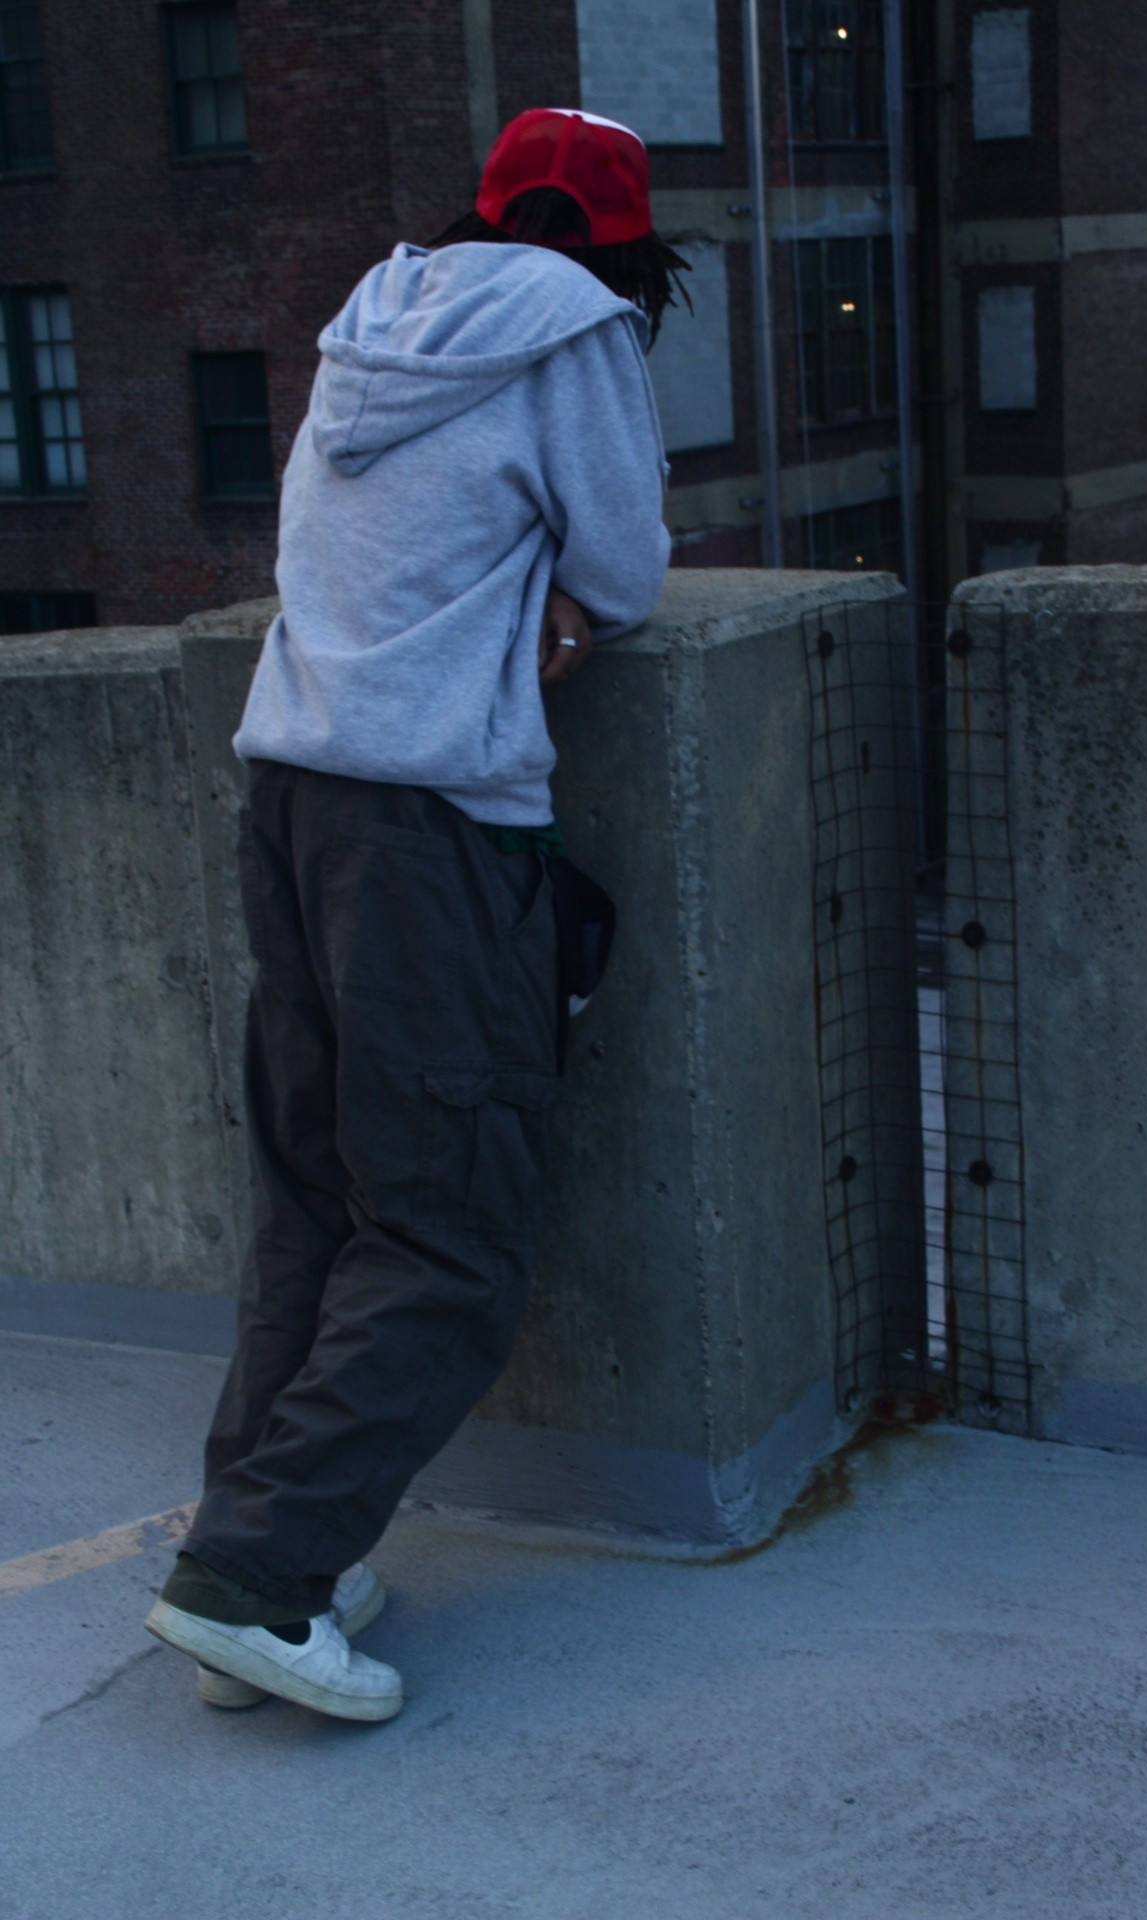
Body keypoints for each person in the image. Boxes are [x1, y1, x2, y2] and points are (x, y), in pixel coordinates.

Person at [145, 108, 686, 1722]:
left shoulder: (370, 316)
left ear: (483, 210)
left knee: (317, 1206)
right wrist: (565, 593)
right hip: (430, 828)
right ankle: (254, 1577)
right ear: (624, 245)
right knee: (451, 1235)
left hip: (292, 796)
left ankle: (262, 1555)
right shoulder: (577, 330)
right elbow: (627, 562)